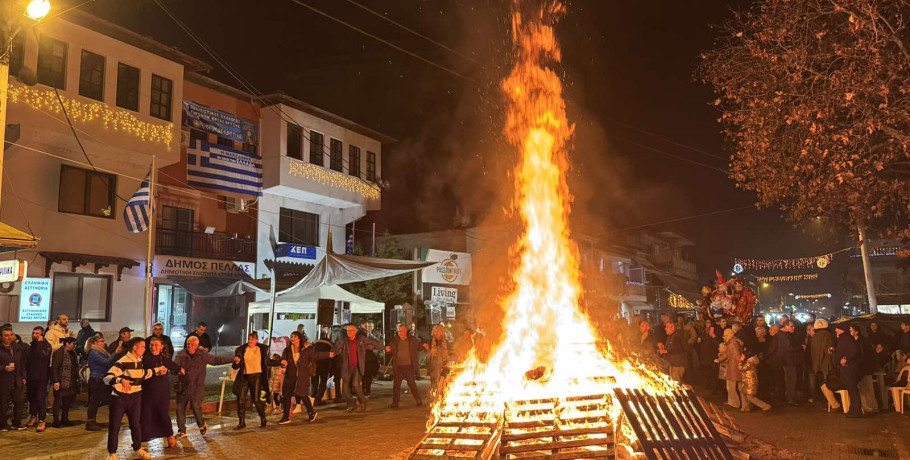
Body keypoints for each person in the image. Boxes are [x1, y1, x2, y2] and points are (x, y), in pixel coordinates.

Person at [103, 338, 169, 460]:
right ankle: (112, 453)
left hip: (135, 397)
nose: (145, 349)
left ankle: (138, 448)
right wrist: (120, 380)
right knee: (115, 426)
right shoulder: (123, 361)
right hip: (119, 399)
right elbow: (107, 377)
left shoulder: (139, 361)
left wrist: (157, 371)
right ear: (134, 347)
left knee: (136, 425)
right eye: (142, 346)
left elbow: (142, 374)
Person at [174, 336, 236, 438]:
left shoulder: (202, 355)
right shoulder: (181, 355)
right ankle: (182, 431)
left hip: (197, 387)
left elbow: (216, 360)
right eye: (188, 344)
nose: (190, 346)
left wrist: (232, 359)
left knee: (195, 406)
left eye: (192, 344)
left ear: (197, 345)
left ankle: (202, 424)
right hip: (183, 387)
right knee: (180, 408)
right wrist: (178, 370)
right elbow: (174, 367)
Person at [277, 331, 333, 425]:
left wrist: (327, 354)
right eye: (292, 336)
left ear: (299, 339)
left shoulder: (306, 349)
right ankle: (286, 417)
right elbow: (283, 359)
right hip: (290, 376)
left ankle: (311, 412)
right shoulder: (287, 350)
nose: (293, 339)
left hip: (302, 376)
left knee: (302, 395)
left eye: (295, 337)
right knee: (287, 396)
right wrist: (283, 363)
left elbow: (315, 355)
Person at [140, 336, 182, 447]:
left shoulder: (163, 359)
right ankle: (143, 436)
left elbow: (174, 366)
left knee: (163, 413)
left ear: (161, 347)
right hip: (148, 391)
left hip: (162, 391)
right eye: (151, 345)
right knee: (146, 414)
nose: (153, 347)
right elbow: (142, 373)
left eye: (156, 345)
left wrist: (181, 370)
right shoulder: (145, 359)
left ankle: (169, 435)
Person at [334, 324, 384, 412]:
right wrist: (332, 353)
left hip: (357, 367)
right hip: (347, 367)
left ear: (355, 331)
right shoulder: (344, 341)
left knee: (355, 385)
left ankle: (363, 401)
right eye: (348, 331)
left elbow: (373, 343)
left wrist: (384, 348)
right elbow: (336, 348)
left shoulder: (361, 339)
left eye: (351, 331)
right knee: (344, 390)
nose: (349, 333)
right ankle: (351, 405)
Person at [232, 332, 270, 430]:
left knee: (256, 400)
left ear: (256, 340)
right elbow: (235, 366)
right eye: (249, 339)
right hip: (244, 376)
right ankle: (241, 422)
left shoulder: (261, 349)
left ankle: (263, 417)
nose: (250, 341)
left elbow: (268, 362)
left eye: (252, 339)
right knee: (241, 399)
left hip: (256, 376)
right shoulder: (242, 349)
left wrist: (280, 362)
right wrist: (236, 362)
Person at [385, 324, 425, 409]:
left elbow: (418, 347)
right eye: (399, 331)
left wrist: (424, 346)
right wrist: (388, 350)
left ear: (406, 331)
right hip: (398, 366)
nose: (400, 333)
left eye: (402, 331)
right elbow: (390, 350)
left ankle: (418, 399)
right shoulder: (395, 341)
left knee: (411, 383)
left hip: (409, 366)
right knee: (396, 385)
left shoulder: (412, 340)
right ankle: (395, 403)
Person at [0, 326, 27, 431]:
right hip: (3, 380)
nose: (9, 337)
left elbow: (22, 363)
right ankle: (2, 424)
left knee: (19, 401)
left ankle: (17, 422)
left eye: (11, 335)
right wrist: (4, 368)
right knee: (3, 403)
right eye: (6, 335)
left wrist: (24, 376)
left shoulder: (17, 347)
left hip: (17, 379)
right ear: (1, 337)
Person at [86, 334, 114, 431]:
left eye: (104, 340)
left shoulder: (100, 351)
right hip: (97, 379)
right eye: (101, 341)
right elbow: (107, 362)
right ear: (95, 343)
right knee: (94, 401)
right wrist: (116, 354)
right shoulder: (95, 352)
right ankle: (90, 422)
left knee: (97, 401)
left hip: (100, 378)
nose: (104, 343)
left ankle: (92, 421)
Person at [26, 326, 52, 432]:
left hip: (42, 377)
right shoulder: (31, 345)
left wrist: (40, 344)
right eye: (33, 333)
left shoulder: (46, 346)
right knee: (32, 398)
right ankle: (33, 416)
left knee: (40, 398)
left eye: (37, 333)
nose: (34, 335)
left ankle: (42, 419)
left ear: (42, 334)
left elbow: (43, 356)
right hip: (31, 376)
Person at [834, 326, 863, 418]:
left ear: (841, 329)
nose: (835, 330)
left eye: (837, 328)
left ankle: (856, 411)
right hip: (846, 367)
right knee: (851, 389)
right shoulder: (844, 338)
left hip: (849, 367)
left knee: (852, 388)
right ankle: (853, 409)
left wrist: (845, 358)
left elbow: (853, 351)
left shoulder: (846, 338)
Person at [51, 337, 80, 428]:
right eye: (73, 343)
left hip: (70, 381)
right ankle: (56, 420)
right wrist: (56, 381)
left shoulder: (72, 353)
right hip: (61, 381)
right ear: (67, 343)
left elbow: (75, 366)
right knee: (58, 401)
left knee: (67, 402)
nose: (74, 345)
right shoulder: (59, 353)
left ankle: (65, 419)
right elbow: (54, 368)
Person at [852, 325, 879, 413]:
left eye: (851, 330)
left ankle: (871, 407)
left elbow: (866, 355)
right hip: (859, 367)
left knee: (867, 387)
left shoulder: (863, 342)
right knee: (862, 388)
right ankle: (865, 406)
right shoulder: (854, 341)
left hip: (865, 367)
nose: (850, 332)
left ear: (857, 332)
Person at [716, 328, 743, 409]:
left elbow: (737, 356)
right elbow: (727, 354)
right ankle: (732, 402)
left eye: (724, 335)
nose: (723, 337)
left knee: (730, 386)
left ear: (728, 335)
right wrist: (719, 359)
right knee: (731, 386)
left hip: (733, 368)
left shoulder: (732, 344)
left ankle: (734, 403)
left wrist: (740, 366)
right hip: (733, 367)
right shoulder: (732, 343)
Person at [777, 321, 803, 406]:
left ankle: (790, 397)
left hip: (788, 361)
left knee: (790, 379)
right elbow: (789, 347)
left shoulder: (784, 335)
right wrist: (800, 347)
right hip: (789, 361)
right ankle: (790, 398)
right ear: (786, 327)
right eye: (791, 326)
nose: (793, 328)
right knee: (791, 380)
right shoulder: (784, 336)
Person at [809, 319, 834, 404]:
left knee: (820, 382)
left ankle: (823, 399)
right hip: (825, 363)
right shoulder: (827, 335)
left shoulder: (815, 336)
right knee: (827, 382)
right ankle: (829, 401)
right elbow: (828, 350)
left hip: (816, 363)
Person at [426, 324, 451, 399]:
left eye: (438, 331)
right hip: (433, 365)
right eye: (435, 331)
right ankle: (434, 398)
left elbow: (449, 352)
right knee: (434, 382)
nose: (437, 333)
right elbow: (428, 354)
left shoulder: (446, 342)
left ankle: (442, 397)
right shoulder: (430, 341)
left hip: (443, 365)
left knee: (442, 382)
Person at [311, 334, 334, 405]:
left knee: (314, 382)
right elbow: (332, 355)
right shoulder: (330, 344)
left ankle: (313, 398)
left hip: (315, 363)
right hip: (324, 364)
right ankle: (318, 399)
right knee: (323, 382)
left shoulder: (315, 342)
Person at [360, 321, 380, 397]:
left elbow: (376, 341)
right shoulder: (359, 333)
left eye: (368, 326)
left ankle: (367, 390)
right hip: (363, 357)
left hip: (369, 357)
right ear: (362, 325)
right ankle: (363, 390)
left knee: (368, 374)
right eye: (366, 326)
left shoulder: (369, 333)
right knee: (363, 375)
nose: (367, 328)